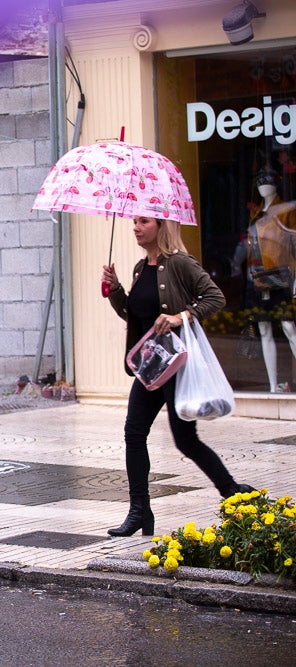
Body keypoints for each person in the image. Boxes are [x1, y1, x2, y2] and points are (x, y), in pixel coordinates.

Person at [102, 216, 256, 537]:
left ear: (161, 226)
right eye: (134, 221)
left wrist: (179, 316)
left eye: (143, 221)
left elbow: (216, 298)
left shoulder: (180, 263)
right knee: (133, 433)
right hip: (150, 365)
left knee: (186, 440)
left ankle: (234, 494)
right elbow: (135, 315)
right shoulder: (139, 268)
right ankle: (139, 511)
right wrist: (116, 289)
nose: (135, 227)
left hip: (177, 364)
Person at [245, 169, 296, 392]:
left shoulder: (286, 211)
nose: (264, 184)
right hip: (258, 278)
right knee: (264, 328)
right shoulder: (256, 215)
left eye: (269, 180)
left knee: (288, 326)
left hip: (281, 275)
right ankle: (273, 386)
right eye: (260, 181)